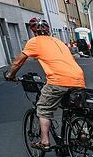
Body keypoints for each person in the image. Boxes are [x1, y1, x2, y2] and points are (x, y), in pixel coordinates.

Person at [5, 18, 85, 150]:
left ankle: (45, 141)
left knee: (43, 108)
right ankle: (82, 132)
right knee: (74, 107)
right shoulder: (58, 41)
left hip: (58, 80)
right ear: (48, 30)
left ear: (33, 31)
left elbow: (18, 62)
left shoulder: (34, 42)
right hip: (78, 78)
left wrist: (10, 75)